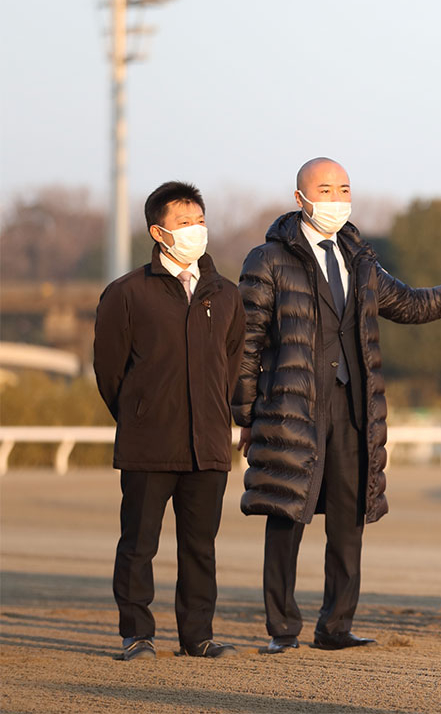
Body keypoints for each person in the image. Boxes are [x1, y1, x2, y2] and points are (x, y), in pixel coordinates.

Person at [235, 157, 441, 653]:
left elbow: (412, 303)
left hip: (355, 408)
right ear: (300, 198)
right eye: (325, 189)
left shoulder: (359, 259)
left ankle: (335, 626)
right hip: (291, 407)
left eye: (344, 188)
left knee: (349, 518)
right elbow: (247, 344)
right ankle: (282, 630)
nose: (336, 199)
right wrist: (246, 415)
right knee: (287, 516)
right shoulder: (267, 260)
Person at [94, 181, 246, 661]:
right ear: (159, 232)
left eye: (200, 221)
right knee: (139, 544)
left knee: (200, 547)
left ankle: (197, 636)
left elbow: (232, 363)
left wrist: (218, 418)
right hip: (149, 442)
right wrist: (139, 414)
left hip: (209, 445)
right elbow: (110, 372)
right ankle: (137, 633)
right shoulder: (126, 294)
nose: (196, 230)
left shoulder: (226, 295)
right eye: (184, 223)